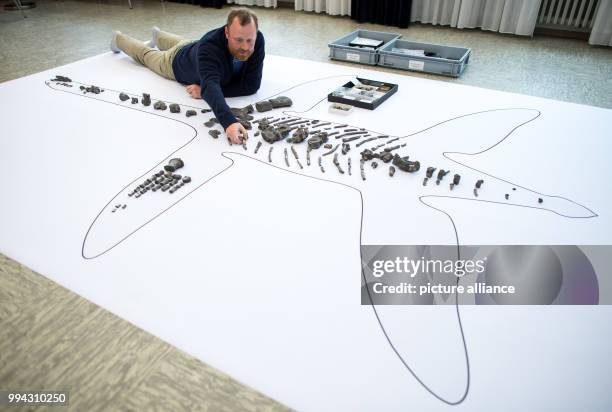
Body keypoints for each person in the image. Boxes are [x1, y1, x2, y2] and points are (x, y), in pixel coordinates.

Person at [110, 8, 265, 144]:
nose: (245, 47)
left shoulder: (257, 40)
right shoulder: (210, 48)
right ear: (226, 32)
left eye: (249, 40)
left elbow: (251, 85)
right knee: (147, 55)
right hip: (176, 61)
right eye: (238, 40)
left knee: (185, 43)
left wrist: (204, 89)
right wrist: (229, 122)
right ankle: (118, 38)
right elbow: (211, 85)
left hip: (193, 46)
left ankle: (158, 36)